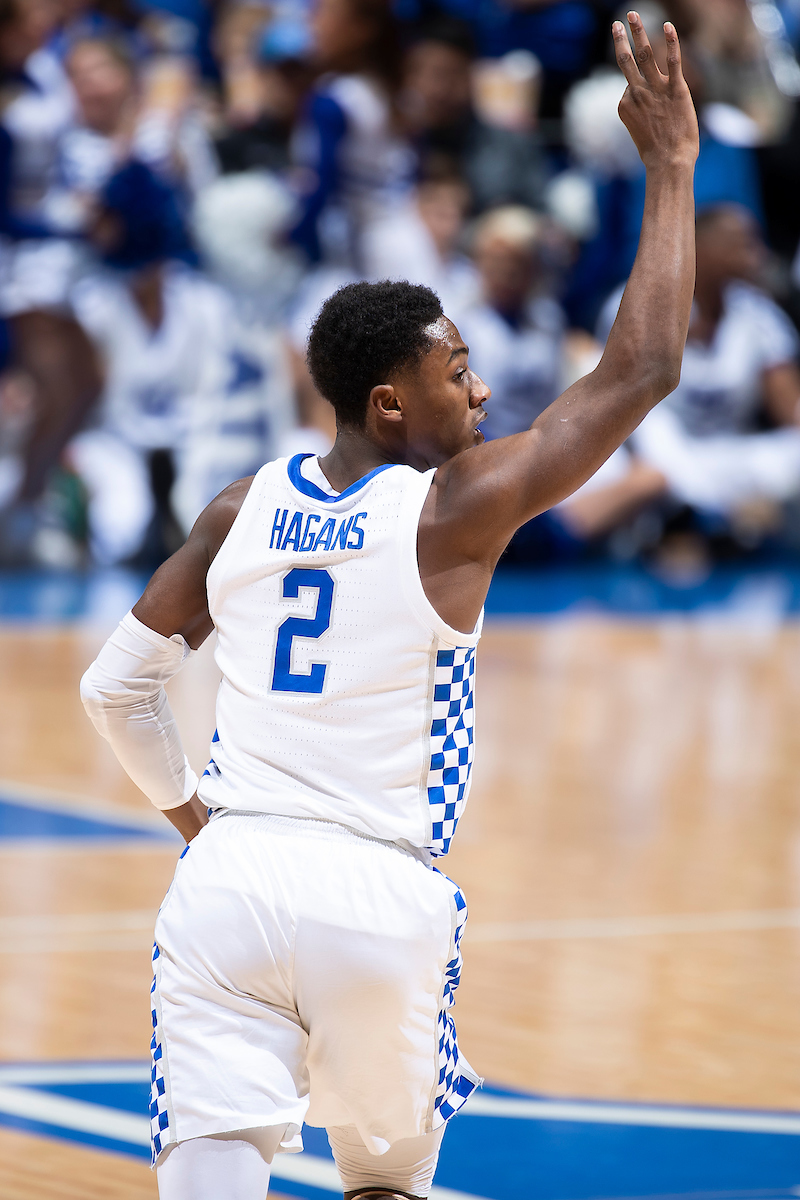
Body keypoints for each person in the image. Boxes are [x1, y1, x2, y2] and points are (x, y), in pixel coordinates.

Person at [80, 14, 698, 1200]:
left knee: (207, 1173)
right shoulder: (449, 510)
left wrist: (196, 824)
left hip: (228, 886)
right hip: (377, 893)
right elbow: (639, 369)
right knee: (381, 1184)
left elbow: (116, 690)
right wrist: (666, 167)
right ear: (389, 402)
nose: (478, 388)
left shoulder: (234, 508)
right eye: (454, 371)